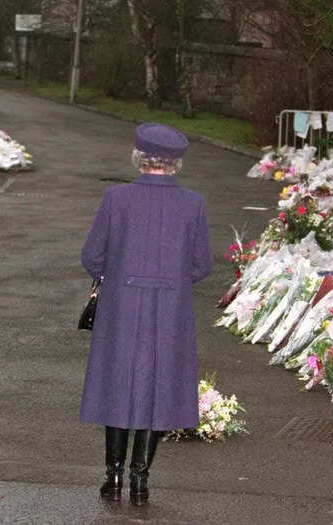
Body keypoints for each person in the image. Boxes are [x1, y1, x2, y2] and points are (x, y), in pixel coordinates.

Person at [80, 123, 213, 506]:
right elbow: (202, 264)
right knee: (161, 388)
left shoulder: (115, 198)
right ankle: (141, 478)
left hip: (121, 306)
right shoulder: (194, 204)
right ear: (176, 163)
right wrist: (170, 278)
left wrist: (117, 273)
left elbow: (92, 256)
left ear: (139, 157)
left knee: (117, 385)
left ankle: (113, 475)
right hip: (170, 310)